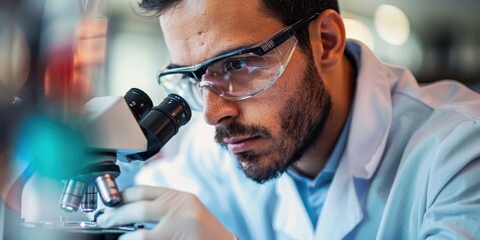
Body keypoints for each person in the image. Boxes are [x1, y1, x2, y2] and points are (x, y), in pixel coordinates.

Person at [93, 0, 480, 239]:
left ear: (326, 41)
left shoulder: (460, 152)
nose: (212, 114)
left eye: (238, 64)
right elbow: (131, 201)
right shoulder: (216, 155)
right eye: (195, 78)